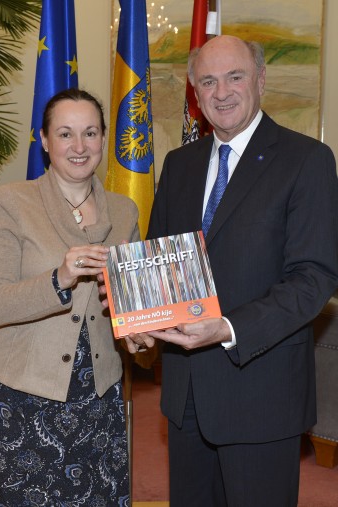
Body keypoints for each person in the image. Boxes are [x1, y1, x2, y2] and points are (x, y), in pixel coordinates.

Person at [126, 35, 338, 506]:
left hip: (261, 395)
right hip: (185, 397)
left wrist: (226, 327)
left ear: (261, 80)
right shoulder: (179, 165)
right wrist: (141, 324)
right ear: (195, 95)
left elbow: (314, 278)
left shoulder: (307, 161)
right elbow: (160, 262)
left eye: (235, 77)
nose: (222, 92)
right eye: (208, 82)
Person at [0, 88, 139, 506]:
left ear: (104, 139)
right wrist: (58, 278)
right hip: (23, 396)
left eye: (90, 133)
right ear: (45, 141)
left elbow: (128, 303)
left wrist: (140, 334)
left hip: (98, 396)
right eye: (65, 134)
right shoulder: (13, 202)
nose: (79, 146)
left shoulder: (125, 211)